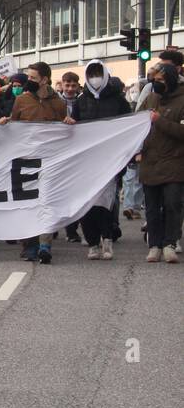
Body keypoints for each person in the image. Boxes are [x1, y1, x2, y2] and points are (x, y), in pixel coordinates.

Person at [7, 61, 74, 264]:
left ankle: (45, 244)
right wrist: (3, 124)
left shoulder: (58, 103)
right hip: (26, 160)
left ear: (45, 80)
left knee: (47, 201)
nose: (29, 81)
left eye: (33, 78)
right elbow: (13, 128)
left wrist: (68, 124)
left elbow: (65, 131)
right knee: (28, 203)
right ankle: (29, 246)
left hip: (50, 160)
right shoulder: (21, 101)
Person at [68, 60, 132, 260]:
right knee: (87, 204)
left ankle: (107, 238)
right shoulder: (81, 101)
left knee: (105, 203)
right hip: (86, 162)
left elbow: (127, 126)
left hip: (109, 160)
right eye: (91, 74)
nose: (95, 78)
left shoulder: (118, 100)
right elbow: (75, 126)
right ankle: (93, 242)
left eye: (98, 73)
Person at [139, 62, 184, 263]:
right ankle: (154, 245)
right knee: (152, 207)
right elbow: (136, 123)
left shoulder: (182, 100)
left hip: (174, 161)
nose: (155, 84)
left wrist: (160, 121)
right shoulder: (150, 98)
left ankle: (170, 243)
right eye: (154, 80)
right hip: (150, 161)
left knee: (173, 204)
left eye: (160, 81)